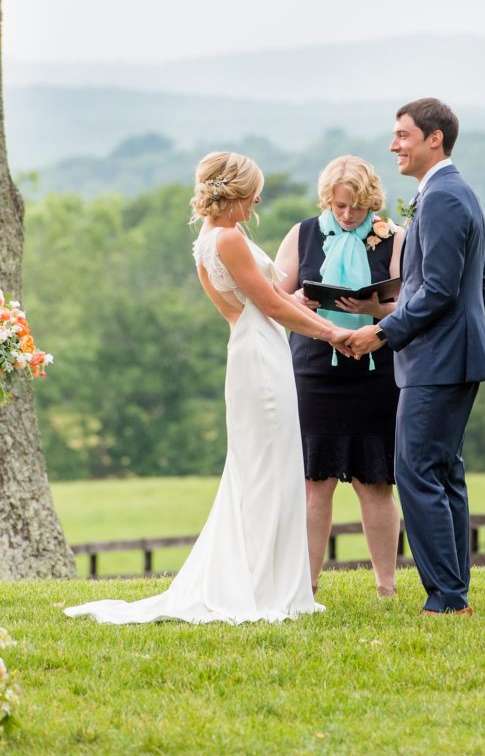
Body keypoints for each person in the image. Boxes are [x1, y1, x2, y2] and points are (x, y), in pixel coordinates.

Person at [65, 151, 351, 625]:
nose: (258, 200)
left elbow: (263, 300)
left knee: (265, 466)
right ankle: (260, 586)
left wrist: (295, 302)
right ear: (234, 193)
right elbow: (269, 308)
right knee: (265, 469)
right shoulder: (228, 239)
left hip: (251, 347)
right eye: (253, 192)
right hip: (260, 355)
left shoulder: (208, 239)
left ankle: (273, 581)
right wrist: (333, 334)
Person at [348, 99, 485, 616]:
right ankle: (454, 593)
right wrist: (460, 329)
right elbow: (483, 283)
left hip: (437, 362)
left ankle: (447, 599)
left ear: (435, 138)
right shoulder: (452, 192)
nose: (394, 145)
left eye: (403, 135)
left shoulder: (442, 198)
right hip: (450, 356)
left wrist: (384, 331)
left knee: (416, 472)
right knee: (443, 472)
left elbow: (439, 290)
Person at [276, 155, 404, 598]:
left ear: (372, 201)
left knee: (375, 481)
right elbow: (275, 297)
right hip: (314, 368)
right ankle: (307, 584)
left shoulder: (395, 237)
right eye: (340, 206)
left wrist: (374, 308)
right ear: (327, 200)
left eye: (357, 207)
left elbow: (409, 304)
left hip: (376, 369)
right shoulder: (303, 234)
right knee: (316, 482)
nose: (348, 215)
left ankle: (386, 585)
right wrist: (299, 300)